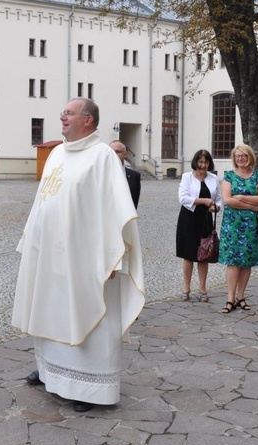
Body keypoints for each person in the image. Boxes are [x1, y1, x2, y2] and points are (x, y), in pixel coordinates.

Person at [12, 98, 145, 413]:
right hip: (51, 255)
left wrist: (117, 259)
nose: (62, 117)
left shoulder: (103, 158)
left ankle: (89, 388)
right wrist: (31, 239)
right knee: (52, 309)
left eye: (68, 113)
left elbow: (116, 211)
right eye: (63, 113)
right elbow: (43, 199)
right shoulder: (57, 153)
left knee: (89, 315)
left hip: (87, 258)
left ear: (88, 120)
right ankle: (49, 373)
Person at [219, 144, 258, 313]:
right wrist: (250, 205)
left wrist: (239, 197)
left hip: (251, 226)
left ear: (249, 157)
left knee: (247, 262)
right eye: (237, 156)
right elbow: (226, 200)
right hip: (232, 225)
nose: (240, 159)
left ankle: (241, 296)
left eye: (243, 156)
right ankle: (230, 298)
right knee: (233, 262)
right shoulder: (229, 176)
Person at [175, 149, 222, 303]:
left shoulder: (213, 178)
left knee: (204, 255)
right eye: (201, 162)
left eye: (206, 162)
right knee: (188, 255)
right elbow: (183, 197)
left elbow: (219, 199)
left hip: (205, 219)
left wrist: (216, 206)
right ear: (195, 162)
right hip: (189, 217)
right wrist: (203, 201)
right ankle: (186, 289)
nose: (203, 165)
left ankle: (203, 289)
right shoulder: (187, 177)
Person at [110, 140, 141, 208]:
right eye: (111, 152)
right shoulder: (101, 174)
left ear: (125, 154)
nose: (114, 154)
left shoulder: (134, 176)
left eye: (117, 152)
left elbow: (134, 202)